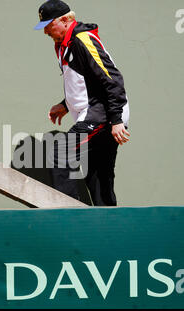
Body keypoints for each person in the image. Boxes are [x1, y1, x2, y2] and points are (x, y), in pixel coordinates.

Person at [34, 0, 130, 206]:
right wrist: (65, 104)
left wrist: (116, 120)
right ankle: (107, 225)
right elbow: (84, 81)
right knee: (97, 175)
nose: (46, 32)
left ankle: (69, 214)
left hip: (103, 112)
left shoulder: (82, 39)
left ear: (66, 19)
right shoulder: (63, 44)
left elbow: (112, 79)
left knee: (60, 151)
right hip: (99, 112)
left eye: (49, 26)